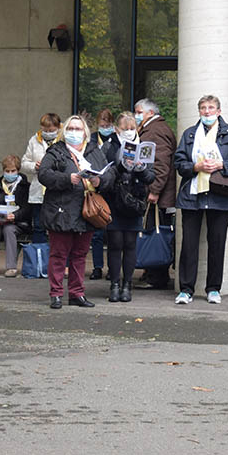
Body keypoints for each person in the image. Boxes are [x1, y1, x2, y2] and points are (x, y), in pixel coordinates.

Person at [37, 114, 116, 309]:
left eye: (78, 129)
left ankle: (77, 293)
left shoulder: (94, 151)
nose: (74, 132)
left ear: (85, 132)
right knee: (58, 254)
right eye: (71, 129)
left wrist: (100, 181)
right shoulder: (56, 151)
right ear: (65, 132)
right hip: (61, 210)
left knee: (80, 255)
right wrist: (67, 179)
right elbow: (44, 174)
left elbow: (110, 174)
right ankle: (56, 294)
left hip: (87, 211)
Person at [174, 95, 228, 304]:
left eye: (211, 108)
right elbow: (178, 163)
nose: (207, 112)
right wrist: (195, 167)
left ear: (219, 111)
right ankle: (186, 290)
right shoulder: (189, 134)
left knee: (217, 244)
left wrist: (221, 165)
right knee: (189, 245)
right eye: (203, 108)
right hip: (192, 196)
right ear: (199, 111)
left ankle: (213, 289)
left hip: (221, 196)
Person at [103, 113, 154, 302]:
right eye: (125, 129)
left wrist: (141, 169)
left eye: (132, 128)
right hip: (115, 200)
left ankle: (127, 285)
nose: (129, 132)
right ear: (117, 129)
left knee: (130, 244)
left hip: (134, 201)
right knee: (115, 243)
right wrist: (120, 166)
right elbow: (103, 174)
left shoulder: (143, 146)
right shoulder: (109, 145)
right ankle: (114, 284)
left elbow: (151, 177)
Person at [134, 98, 177, 289]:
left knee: (154, 233)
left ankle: (156, 277)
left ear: (150, 113)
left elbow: (160, 164)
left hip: (156, 194)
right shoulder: (152, 129)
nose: (136, 116)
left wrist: (154, 190)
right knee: (153, 231)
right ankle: (152, 274)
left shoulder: (155, 130)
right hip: (156, 192)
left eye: (139, 112)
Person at [85, 107, 118, 279]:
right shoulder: (91, 139)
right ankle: (97, 267)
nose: (104, 127)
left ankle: (113, 268)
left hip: (111, 187)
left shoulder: (117, 139)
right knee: (96, 232)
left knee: (112, 231)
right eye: (102, 124)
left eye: (107, 124)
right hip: (94, 188)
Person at [0, 155, 28, 278]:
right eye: (7, 171)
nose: (10, 173)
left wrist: (15, 216)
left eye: (13, 171)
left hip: (18, 222)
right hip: (2, 220)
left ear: (18, 170)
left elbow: (27, 208)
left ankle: (11, 267)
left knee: (9, 230)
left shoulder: (24, 186)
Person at [20, 113, 61, 246]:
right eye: (45, 130)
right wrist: (35, 166)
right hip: (38, 190)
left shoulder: (63, 140)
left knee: (57, 226)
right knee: (38, 226)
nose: (48, 133)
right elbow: (24, 163)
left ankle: (57, 256)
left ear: (58, 128)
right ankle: (39, 257)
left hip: (57, 190)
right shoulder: (34, 140)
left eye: (51, 130)